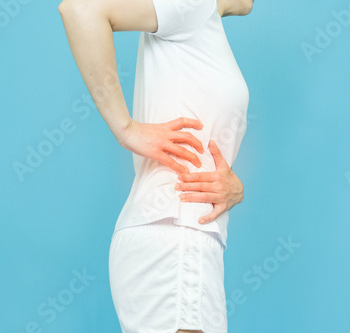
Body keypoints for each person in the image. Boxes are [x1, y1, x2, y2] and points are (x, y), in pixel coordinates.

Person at [58, 0, 253, 331]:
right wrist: (126, 128)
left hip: (188, 236)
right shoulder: (195, 4)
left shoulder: (202, 22)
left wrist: (236, 189)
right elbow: (80, 9)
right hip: (175, 236)